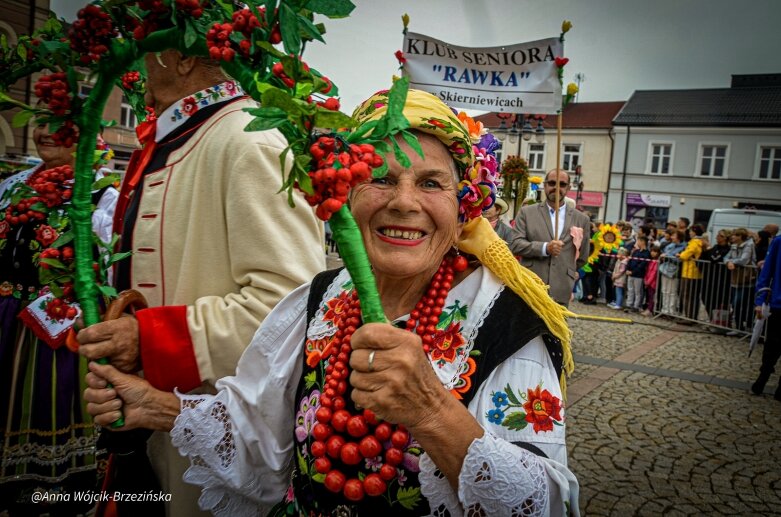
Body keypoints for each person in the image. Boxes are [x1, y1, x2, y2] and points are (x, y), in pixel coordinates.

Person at [83, 89, 580, 515]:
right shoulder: (318, 300)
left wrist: (430, 411)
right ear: (345, 196)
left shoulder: (503, 322)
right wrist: (154, 405)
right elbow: (257, 432)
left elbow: (545, 503)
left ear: (463, 205)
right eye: (381, 178)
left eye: (430, 183)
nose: (404, 202)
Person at [76, 50, 325, 516]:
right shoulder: (189, 136)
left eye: (150, 46)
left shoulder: (247, 139)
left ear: (181, 58)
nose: (137, 57)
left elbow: (289, 309)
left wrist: (146, 340)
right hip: (152, 426)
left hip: (212, 442)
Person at [0, 125, 118, 515]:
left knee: (49, 409)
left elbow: (107, 274)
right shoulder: (14, 186)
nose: (45, 133)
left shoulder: (99, 195)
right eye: (40, 123)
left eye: (60, 124)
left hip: (57, 334)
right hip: (4, 323)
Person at [509, 169, 590, 306]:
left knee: (555, 328)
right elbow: (515, 244)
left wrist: (568, 269)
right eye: (552, 183)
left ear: (569, 188)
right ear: (545, 185)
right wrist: (545, 248)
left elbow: (582, 257)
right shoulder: (527, 213)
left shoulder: (581, 219)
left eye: (562, 184)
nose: (556, 188)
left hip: (561, 289)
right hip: (530, 285)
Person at [750, 236, 781, 400]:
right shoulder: (779, 241)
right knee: (772, 345)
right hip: (778, 304)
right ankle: (762, 378)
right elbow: (766, 271)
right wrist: (760, 300)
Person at [724, 227, 757, 335]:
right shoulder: (733, 246)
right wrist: (728, 262)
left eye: (735, 235)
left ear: (740, 237)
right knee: (734, 303)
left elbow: (744, 259)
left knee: (739, 303)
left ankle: (744, 327)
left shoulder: (749, 245)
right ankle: (738, 327)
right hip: (735, 278)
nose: (732, 236)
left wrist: (732, 262)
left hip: (746, 279)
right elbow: (726, 257)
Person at [700, 229, 732, 328]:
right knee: (705, 298)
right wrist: (706, 249)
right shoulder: (715, 247)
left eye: (719, 235)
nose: (716, 237)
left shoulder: (728, 250)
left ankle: (720, 322)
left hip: (721, 280)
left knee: (719, 301)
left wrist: (709, 250)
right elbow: (704, 257)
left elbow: (715, 258)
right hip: (709, 278)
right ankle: (712, 319)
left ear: (725, 238)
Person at [677, 224, 705, 322]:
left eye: (691, 231)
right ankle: (691, 316)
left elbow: (685, 255)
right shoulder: (701, 241)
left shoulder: (695, 242)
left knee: (688, 295)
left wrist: (680, 254)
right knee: (693, 296)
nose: (689, 233)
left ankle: (689, 317)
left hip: (690, 272)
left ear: (694, 232)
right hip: (694, 272)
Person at [659, 230, 686, 316]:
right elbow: (666, 252)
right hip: (665, 269)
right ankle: (664, 309)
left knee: (672, 291)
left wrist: (667, 257)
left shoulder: (683, 247)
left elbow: (679, 259)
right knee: (665, 290)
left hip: (674, 271)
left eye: (674, 235)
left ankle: (671, 311)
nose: (671, 237)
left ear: (678, 237)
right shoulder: (670, 245)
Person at [624, 236, 650, 313]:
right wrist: (627, 269)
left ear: (643, 242)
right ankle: (629, 304)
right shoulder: (636, 251)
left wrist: (633, 272)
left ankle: (636, 306)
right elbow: (630, 260)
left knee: (638, 291)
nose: (637, 243)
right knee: (630, 290)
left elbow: (642, 264)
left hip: (638, 275)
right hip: (630, 273)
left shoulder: (646, 253)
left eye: (638, 241)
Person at [641, 245, 661, 316]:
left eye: (655, 251)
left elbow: (654, 273)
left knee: (652, 297)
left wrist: (648, 282)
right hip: (648, 281)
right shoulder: (650, 261)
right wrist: (645, 279)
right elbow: (648, 271)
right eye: (652, 251)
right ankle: (648, 309)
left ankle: (650, 310)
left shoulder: (657, 262)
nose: (652, 253)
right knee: (649, 297)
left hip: (652, 283)